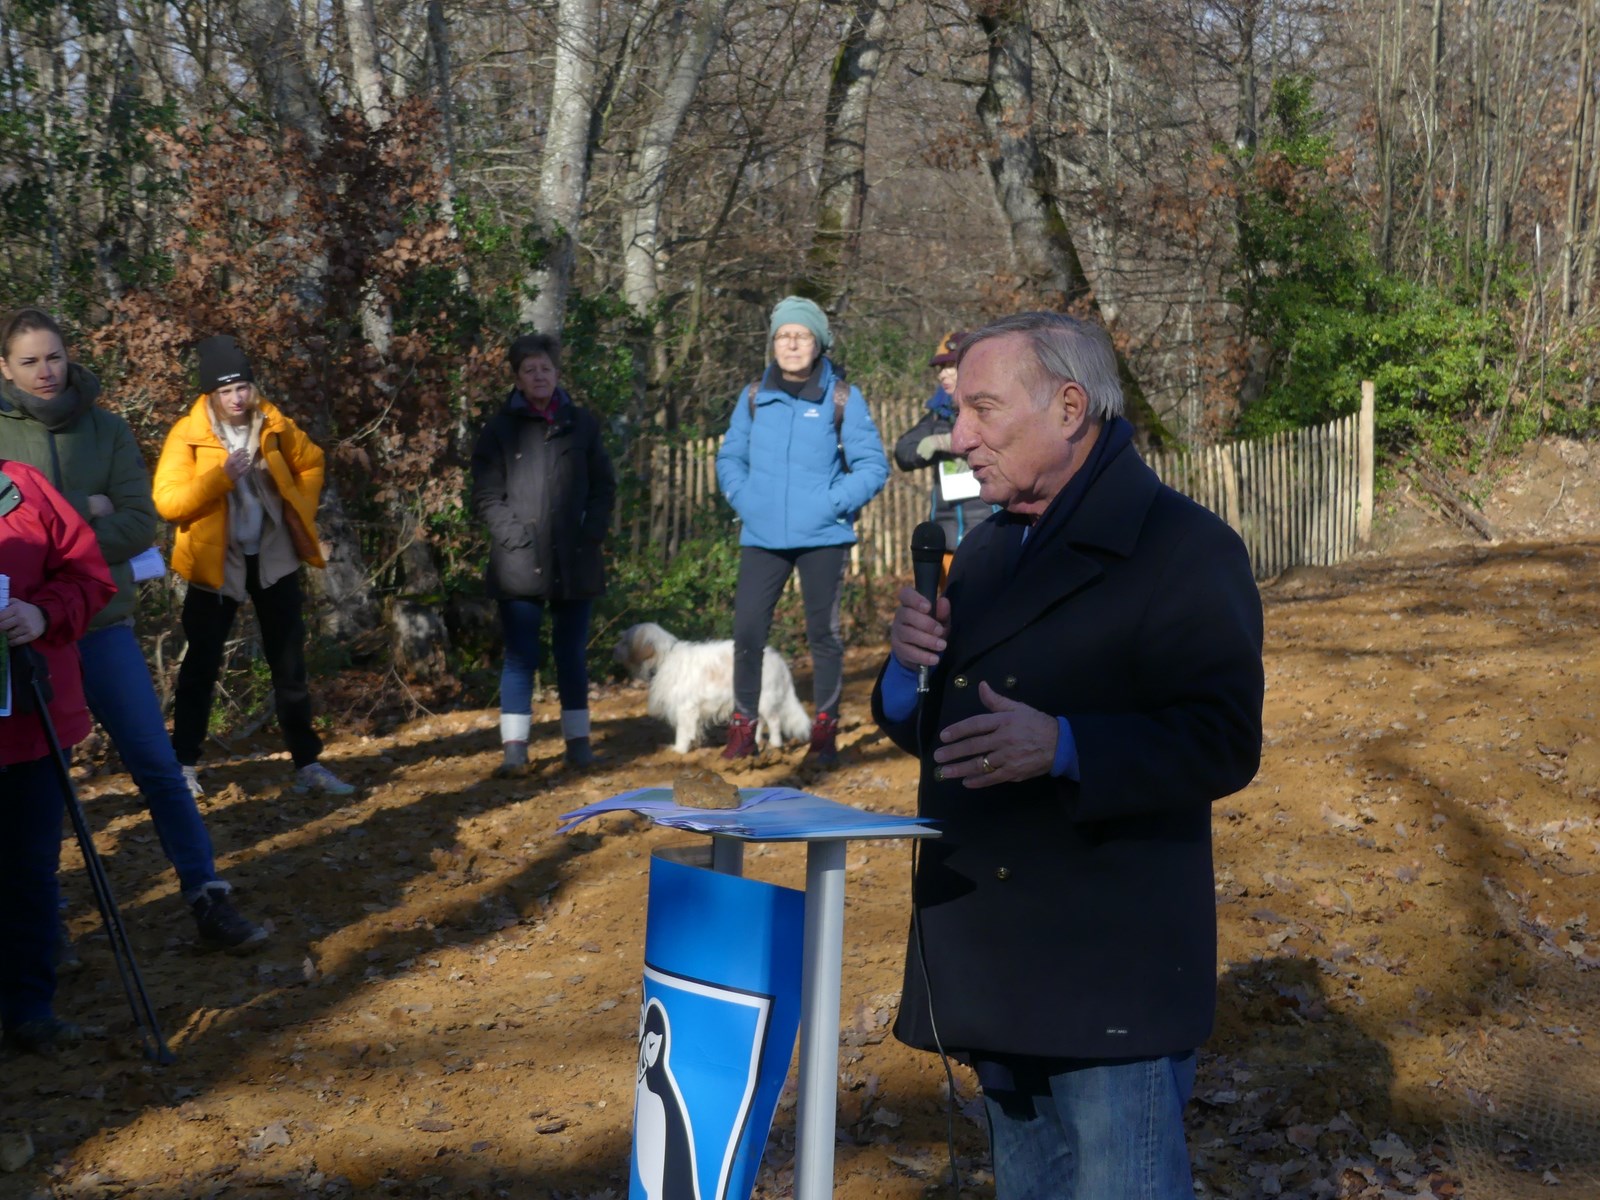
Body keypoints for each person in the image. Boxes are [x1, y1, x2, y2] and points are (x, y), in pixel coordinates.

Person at [873, 312, 1264, 1198]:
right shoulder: (980, 552)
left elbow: (1225, 740)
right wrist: (906, 671)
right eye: (957, 411)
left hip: (1108, 974)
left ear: (1069, 406)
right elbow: (944, 733)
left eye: (981, 409)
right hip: (993, 958)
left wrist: (1067, 746)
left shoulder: (1184, 549)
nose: (957, 434)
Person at [0, 309, 270, 953]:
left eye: (55, 358)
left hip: (101, 625)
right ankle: (45, 935)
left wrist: (67, 538)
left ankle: (206, 895)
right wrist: (84, 525)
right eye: (30, 361)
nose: (46, 372)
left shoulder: (107, 428)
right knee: (44, 785)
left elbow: (138, 525)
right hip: (22, 642)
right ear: (5, 368)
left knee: (156, 764)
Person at [152, 335, 354, 799]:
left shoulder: (274, 424)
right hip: (214, 561)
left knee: (289, 664)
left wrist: (294, 506)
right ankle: (183, 766)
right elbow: (168, 502)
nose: (238, 398)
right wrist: (219, 479)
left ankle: (308, 765)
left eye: (242, 386)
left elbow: (314, 462)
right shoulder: (188, 434)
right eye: (226, 391)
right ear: (210, 395)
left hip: (272, 555)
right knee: (200, 667)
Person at [714, 296, 889, 766]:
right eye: (783, 336)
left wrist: (830, 503)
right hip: (762, 535)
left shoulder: (841, 398)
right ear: (773, 343)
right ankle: (743, 726)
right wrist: (746, 499)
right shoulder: (753, 397)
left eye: (802, 335)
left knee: (823, 635)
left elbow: (873, 466)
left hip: (823, 536)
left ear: (819, 343)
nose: (792, 344)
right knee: (747, 631)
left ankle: (825, 727)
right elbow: (730, 458)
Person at [0, 458, 116, 1053]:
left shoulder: (22, 486)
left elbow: (90, 576)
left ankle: (28, 1008)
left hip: (29, 723)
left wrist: (40, 613)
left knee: (28, 870)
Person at [471, 332, 615, 772]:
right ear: (517, 377)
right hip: (519, 560)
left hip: (575, 558)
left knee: (571, 655)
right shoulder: (498, 430)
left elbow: (604, 487)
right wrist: (513, 538)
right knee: (521, 658)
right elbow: (487, 496)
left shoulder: (582, 424)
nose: (539, 376)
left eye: (546, 369)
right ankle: (515, 750)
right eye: (529, 369)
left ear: (557, 373)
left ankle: (578, 744)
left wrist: (591, 533)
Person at [893, 331, 993, 568]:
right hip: (945, 537)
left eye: (951, 365)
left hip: (989, 531)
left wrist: (953, 443)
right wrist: (934, 446)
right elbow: (903, 453)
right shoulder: (937, 415)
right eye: (940, 367)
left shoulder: (990, 407)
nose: (943, 373)